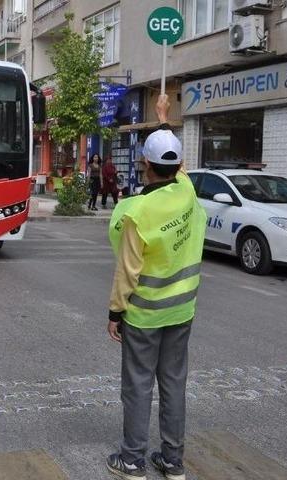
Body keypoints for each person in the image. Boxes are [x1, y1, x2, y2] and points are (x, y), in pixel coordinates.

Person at [105, 94, 206, 480]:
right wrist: (163, 119)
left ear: (143, 166)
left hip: (145, 315)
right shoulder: (187, 191)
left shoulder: (137, 212)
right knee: (174, 385)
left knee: (138, 386)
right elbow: (175, 164)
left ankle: (132, 460)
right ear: (178, 165)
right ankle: (172, 460)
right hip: (182, 313)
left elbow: (128, 272)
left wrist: (115, 312)